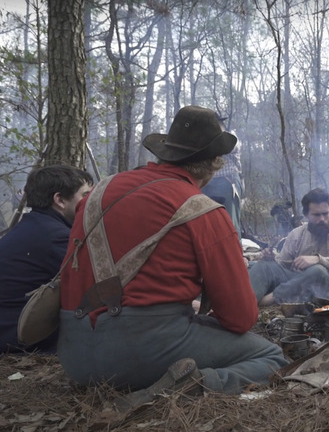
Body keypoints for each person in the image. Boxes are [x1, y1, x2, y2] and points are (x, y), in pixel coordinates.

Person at [57, 106, 287, 408]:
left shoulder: (97, 193)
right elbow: (241, 318)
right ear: (213, 164)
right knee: (271, 357)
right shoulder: (202, 210)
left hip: (74, 353)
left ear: (165, 153)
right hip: (140, 354)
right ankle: (192, 385)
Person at [0, 165, 93, 354]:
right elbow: (93, 285)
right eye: (84, 195)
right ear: (59, 200)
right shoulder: (55, 237)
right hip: (20, 337)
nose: (90, 201)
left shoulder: (35, 226)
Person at [249, 188, 329, 306]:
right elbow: (283, 264)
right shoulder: (296, 234)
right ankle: (243, 306)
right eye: (316, 215)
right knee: (263, 266)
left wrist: (318, 260)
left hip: (326, 286)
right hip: (297, 282)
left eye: (325, 214)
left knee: (318, 270)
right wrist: (271, 258)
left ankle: (268, 300)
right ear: (306, 215)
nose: (322, 219)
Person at [201, 131, 243, 239]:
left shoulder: (231, 133)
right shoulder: (203, 134)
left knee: (229, 222)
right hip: (206, 183)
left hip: (227, 182)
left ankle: (234, 253)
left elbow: (233, 147)